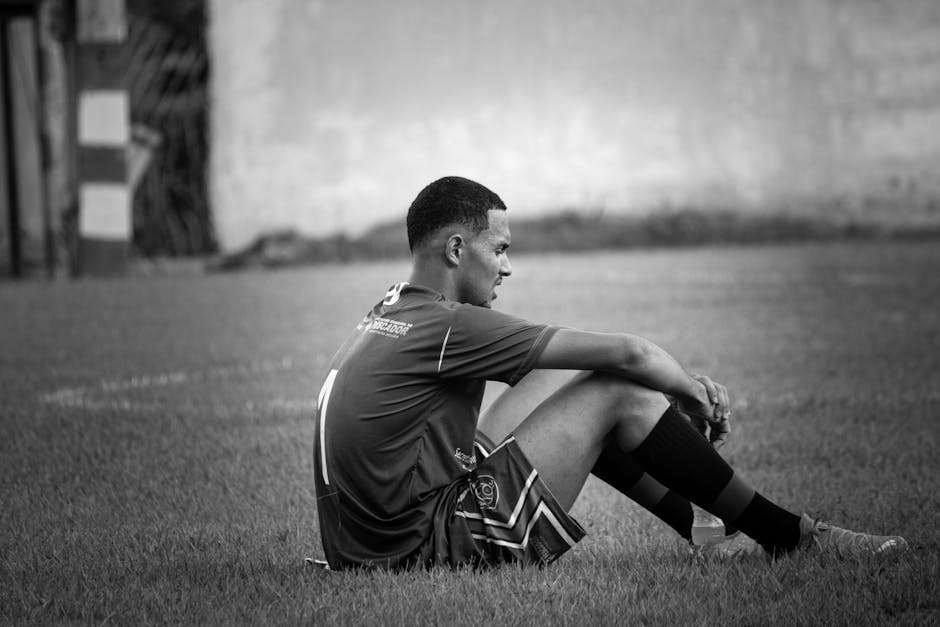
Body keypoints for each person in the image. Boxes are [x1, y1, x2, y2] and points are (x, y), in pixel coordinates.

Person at [312, 175, 908, 570]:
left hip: (371, 544)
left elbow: (588, 361)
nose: (508, 267)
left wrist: (669, 388)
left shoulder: (393, 309)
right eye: (499, 250)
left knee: (564, 379)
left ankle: (707, 533)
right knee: (618, 390)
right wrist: (690, 394)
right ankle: (791, 536)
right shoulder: (449, 327)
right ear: (455, 249)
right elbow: (631, 355)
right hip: (422, 551)